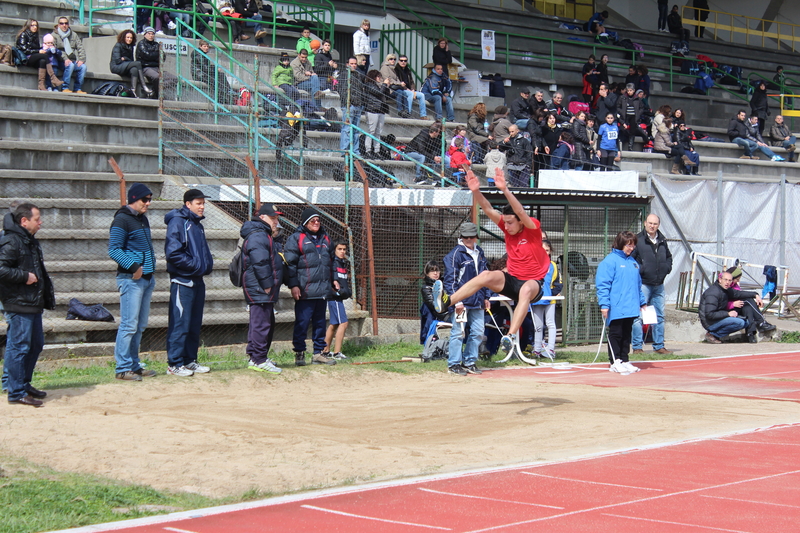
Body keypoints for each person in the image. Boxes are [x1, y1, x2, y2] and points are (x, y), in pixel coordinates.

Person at [431, 168, 551, 355]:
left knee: (526, 289)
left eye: (511, 222)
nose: (507, 226)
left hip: (533, 284)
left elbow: (519, 210)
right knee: (486, 275)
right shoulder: (506, 225)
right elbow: (487, 208)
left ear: (520, 221)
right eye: (506, 222)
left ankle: (510, 337)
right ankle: (447, 302)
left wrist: (504, 189)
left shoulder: (532, 228)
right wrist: (476, 191)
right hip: (513, 280)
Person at [0, 203, 55, 406]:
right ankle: (15, 392)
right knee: (19, 347)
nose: (40, 222)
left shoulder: (29, 240)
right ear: (24, 221)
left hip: (32, 302)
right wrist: (24, 276)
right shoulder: (11, 241)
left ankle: (24, 384)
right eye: (37, 219)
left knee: (35, 345)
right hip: (18, 303)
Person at [108, 183, 158, 381]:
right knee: (129, 325)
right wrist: (134, 267)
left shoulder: (142, 219)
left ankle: (134, 364)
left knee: (140, 325)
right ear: (133, 199)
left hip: (146, 279)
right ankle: (122, 368)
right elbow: (114, 249)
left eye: (149, 199)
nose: (148, 203)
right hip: (131, 279)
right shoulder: (121, 220)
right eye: (144, 199)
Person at [163, 189, 214, 377]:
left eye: (203, 203)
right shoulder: (178, 222)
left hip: (197, 280)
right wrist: (195, 266)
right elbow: (173, 253)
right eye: (198, 203)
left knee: (193, 323)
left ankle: (189, 360)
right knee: (180, 323)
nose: (202, 207)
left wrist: (204, 265)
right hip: (182, 281)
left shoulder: (197, 224)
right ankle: (174, 364)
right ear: (188, 204)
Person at [284, 208, 336, 366]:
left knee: (320, 322)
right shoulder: (296, 238)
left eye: (318, 220)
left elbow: (332, 262)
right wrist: (293, 285)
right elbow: (290, 264)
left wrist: (334, 280)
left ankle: (318, 353)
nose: (316, 223)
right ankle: (300, 353)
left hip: (322, 290)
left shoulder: (325, 239)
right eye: (313, 220)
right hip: (305, 290)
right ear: (306, 222)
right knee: (302, 322)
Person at [240, 203, 284, 373]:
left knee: (263, 322)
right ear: (263, 217)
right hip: (259, 288)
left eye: (277, 218)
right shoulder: (259, 235)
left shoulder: (263, 234)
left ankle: (256, 357)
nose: (276, 221)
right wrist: (267, 285)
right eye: (273, 218)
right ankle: (259, 359)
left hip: (261, 287)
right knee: (261, 324)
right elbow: (260, 261)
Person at [595, 231, 647, 374]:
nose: (631, 248)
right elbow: (603, 285)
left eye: (633, 245)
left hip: (631, 306)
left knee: (626, 333)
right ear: (620, 244)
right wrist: (604, 305)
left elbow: (637, 285)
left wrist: (642, 302)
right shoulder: (610, 261)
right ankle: (615, 361)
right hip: (617, 306)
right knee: (616, 333)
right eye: (628, 245)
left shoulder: (633, 263)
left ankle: (624, 359)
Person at [442, 222, 488, 376]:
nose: (469, 239)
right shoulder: (455, 254)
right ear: (461, 237)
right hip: (461, 302)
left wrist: (486, 296)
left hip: (478, 300)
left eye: (471, 237)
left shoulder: (479, 252)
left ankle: (469, 361)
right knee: (458, 332)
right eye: (465, 237)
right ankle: (454, 363)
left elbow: (485, 276)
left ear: (476, 237)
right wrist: (457, 301)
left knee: (478, 332)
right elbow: (450, 280)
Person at [630, 214, 673, 356]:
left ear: (658, 225)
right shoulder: (638, 240)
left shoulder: (662, 240)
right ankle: (637, 347)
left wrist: (666, 268)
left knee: (660, 316)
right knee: (638, 317)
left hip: (659, 284)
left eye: (655, 223)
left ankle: (659, 345)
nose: (652, 226)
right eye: (650, 223)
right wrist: (642, 270)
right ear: (645, 223)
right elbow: (632, 259)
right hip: (644, 284)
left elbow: (668, 257)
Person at [699, 271, 771, 344]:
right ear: (720, 280)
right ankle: (713, 334)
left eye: (729, 280)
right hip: (710, 323)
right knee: (740, 323)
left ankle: (756, 328)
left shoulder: (725, 289)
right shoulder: (713, 293)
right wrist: (728, 314)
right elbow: (710, 314)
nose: (727, 282)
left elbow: (738, 294)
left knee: (746, 309)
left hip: (719, 317)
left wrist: (755, 295)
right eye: (725, 280)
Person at [725, 266, 776, 343]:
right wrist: (732, 304)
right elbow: (721, 301)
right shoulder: (724, 287)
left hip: (737, 307)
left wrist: (755, 295)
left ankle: (750, 333)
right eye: (737, 279)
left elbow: (739, 294)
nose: (737, 281)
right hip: (727, 309)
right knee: (748, 299)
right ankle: (761, 322)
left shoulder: (734, 286)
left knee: (747, 307)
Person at [16, 19, 64, 91]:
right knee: (44, 56)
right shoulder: (23, 34)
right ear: (28, 26)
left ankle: (41, 85)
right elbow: (24, 50)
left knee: (43, 61)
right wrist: (39, 51)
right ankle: (53, 78)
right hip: (25, 58)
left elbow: (37, 48)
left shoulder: (35, 35)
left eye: (36, 25)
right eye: (32, 25)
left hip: (33, 57)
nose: (34, 27)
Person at [531, 240, 559, 360]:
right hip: (536, 299)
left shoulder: (553, 265)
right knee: (538, 325)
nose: (544, 252)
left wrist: (553, 293)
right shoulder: (532, 263)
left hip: (549, 299)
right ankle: (537, 349)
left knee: (550, 323)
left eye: (547, 250)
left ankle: (550, 349)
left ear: (550, 251)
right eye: (542, 250)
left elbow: (558, 282)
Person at [324, 241, 351, 360]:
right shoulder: (332, 263)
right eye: (339, 249)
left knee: (334, 324)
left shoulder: (342, 263)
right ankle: (337, 353)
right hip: (334, 297)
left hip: (338, 297)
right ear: (334, 250)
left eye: (344, 249)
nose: (342, 252)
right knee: (343, 323)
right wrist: (335, 291)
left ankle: (325, 351)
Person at [110, 29, 152, 98]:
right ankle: (144, 87)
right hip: (116, 67)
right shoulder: (118, 45)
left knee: (134, 70)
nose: (129, 39)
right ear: (123, 37)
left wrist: (125, 58)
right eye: (128, 37)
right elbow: (117, 61)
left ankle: (133, 91)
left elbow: (131, 61)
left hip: (125, 66)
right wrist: (127, 60)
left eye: (131, 38)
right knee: (138, 63)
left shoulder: (130, 47)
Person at [338, 56, 366, 155]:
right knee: (346, 129)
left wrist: (361, 103)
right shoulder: (344, 75)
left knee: (355, 131)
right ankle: (345, 150)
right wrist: (349, 102)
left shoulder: (358, 75)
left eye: (355, 64)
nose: (353, 65)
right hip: (349, 106)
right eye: (351, 64)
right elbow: (341, 90)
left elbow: (361, 90)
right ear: (347, 64)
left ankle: (355, 151)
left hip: (358, 106)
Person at [52, 17, 87, 94]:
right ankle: (65, 87)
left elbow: (80, 48)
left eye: (66, 23)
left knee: (83, 67)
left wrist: (81, 59)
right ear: (58, 25)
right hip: (60, 61)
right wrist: (65, 59)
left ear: (68, 24)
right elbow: (55, 50)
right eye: (62, 23)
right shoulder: (54, 35)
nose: (64, 25)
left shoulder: (73, 35)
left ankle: (77, 88)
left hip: (72, 60)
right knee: (70, 65)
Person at [362, 69, 391, 159]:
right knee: (371, 131)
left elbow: (385, 95)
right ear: (374, 77)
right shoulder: (369, 85)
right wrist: (384, 85)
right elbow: (378, 93)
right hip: (372, 110)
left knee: (378, 132)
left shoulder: (378, 86)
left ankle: (377, 150)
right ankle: (368, 150)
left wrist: (386, 86)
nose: (380, 78)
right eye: (379, 77)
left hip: (380, 110)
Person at [420, 260, 448, 345]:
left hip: (446, 311)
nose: (435, 273)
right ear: (427, 273)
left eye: (437, 270)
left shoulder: (446, 284)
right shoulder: (426, 288)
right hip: (435, 313)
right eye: (432, 271)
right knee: (426, 308)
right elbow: (433, 305)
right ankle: (428, 340)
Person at [393, 54, 427, 119]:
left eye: (405, 61)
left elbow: (411, 81)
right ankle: (408, 113)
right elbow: (398, 82)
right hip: (402, 89)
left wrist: (413, 89)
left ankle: (423, 115)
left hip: (410, 90)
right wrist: (408, 90)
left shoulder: (407, 70)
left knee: (421, 95)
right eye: (401, 60)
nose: (403, 62)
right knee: (410, 94)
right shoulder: (396, 70)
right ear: (398, 61)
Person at [617, 83, 648, 151]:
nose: (629, 92)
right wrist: (621, 112)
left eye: (631, 90)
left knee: (632, 131)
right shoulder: (622, 97)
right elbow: (618, 106)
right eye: (628, 90)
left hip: (634, 116)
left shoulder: (637, 98)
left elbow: (642, 107)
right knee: (623, 129)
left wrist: (638, 114)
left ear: (634, 90)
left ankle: (630, 146)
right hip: (625, 116)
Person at [135, 27, 160, 95]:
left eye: (152, 34)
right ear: (145, 34)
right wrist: (157, 56)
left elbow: (163, 57)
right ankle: (157, 95)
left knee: (174, 79)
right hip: (145, 68)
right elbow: (147, 55)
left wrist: (153, 56)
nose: (151, 35)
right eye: (149, 34)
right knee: (157, 77)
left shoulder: (157, 44)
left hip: (157, 67)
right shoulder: (141, 44)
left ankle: (154, 89)